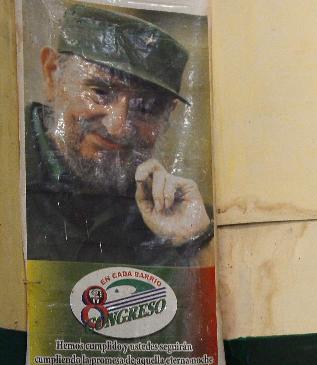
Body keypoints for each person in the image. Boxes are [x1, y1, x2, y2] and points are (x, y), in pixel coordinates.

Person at [25, 3, 212, 266]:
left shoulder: (172, 211)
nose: (118, 126)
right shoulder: (9, 174)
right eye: (100, 91)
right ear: (52, 73)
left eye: (145, 107)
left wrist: (192, 241)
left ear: (168, 113)